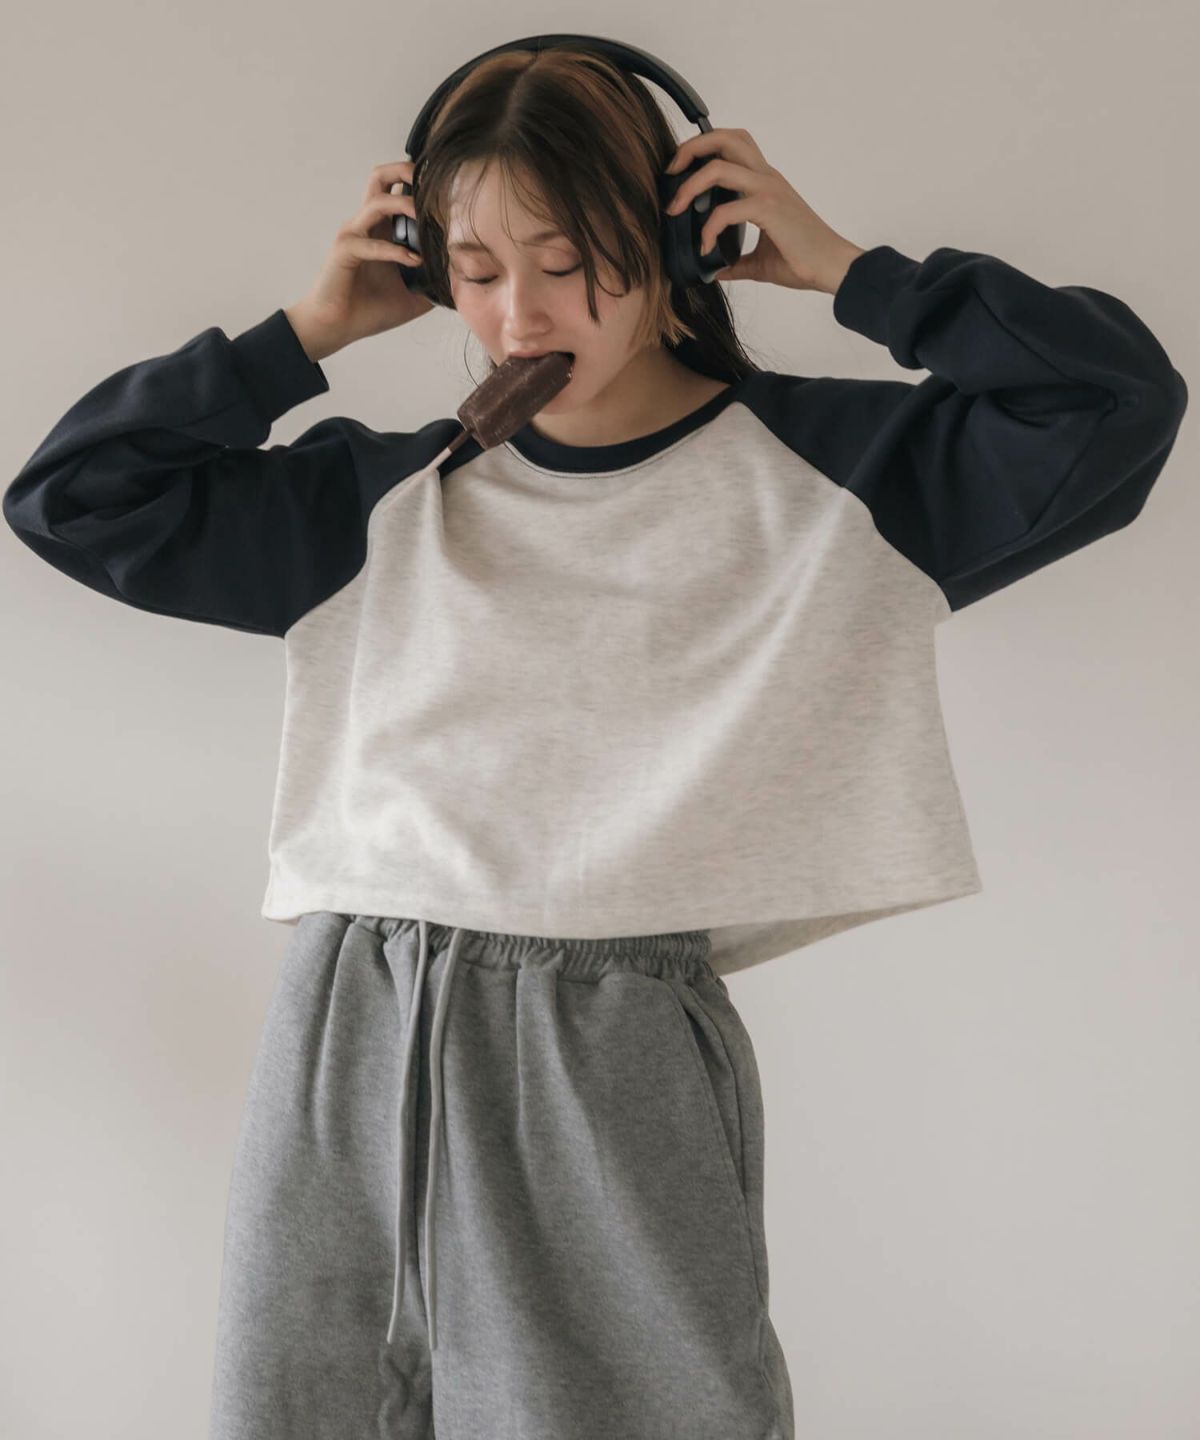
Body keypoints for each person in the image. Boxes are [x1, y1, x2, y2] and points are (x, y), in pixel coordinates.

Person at [3, 45, 1187, 1440]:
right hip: (355, 1016)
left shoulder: (842, 484)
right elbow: (74, 497)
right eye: (475, 270)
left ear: (676, 243)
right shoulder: (389, 500)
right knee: (312, 1409)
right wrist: (300, 337)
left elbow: (1116, 403)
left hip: (609, 1035)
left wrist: (854, 273)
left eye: (566, 263)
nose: (517, 315)